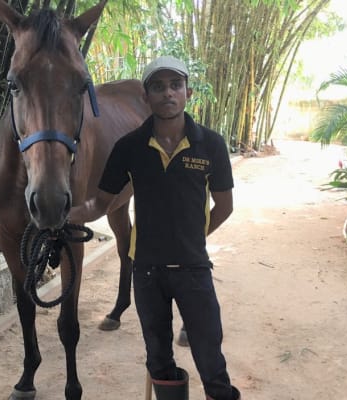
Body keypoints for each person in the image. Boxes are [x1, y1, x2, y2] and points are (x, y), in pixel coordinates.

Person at [68, 55, 241, 400]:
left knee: (211, 358)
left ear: (188, 92)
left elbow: (224, 206)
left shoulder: (211, 145)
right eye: (158, 87)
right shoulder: (129, 147)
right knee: (159, 360)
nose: (168, 94)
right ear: (146, 98)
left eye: (175, 85)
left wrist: (193, 238)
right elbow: (100, 203)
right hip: (146, 273)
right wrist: (65, 214)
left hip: (194, 270)